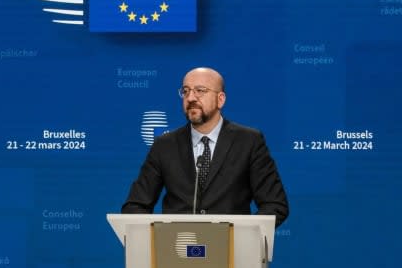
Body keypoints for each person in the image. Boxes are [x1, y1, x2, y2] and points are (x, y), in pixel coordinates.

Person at [122, 67, 289, 226]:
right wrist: (158, 235)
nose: (191, 98)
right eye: (186, 91)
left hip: (232, 251)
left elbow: (275, 205)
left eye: (200, 90)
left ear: (220, 99)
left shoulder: (249, 141)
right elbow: (134, 206)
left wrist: (244, 235)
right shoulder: (164, 145)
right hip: (177, 248)